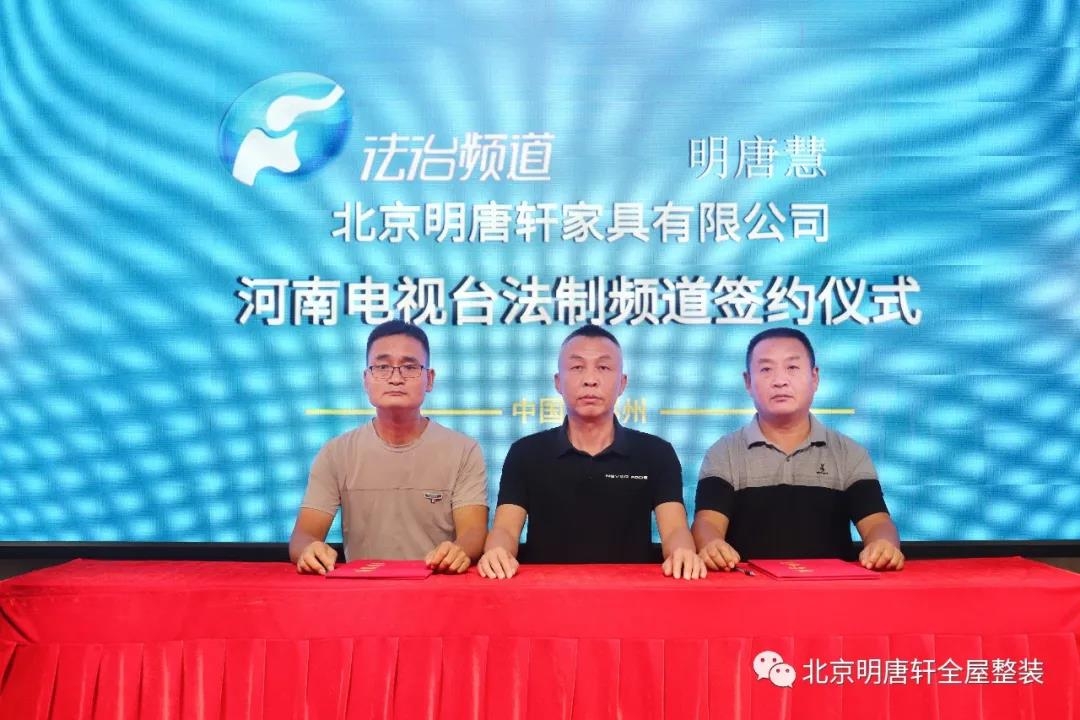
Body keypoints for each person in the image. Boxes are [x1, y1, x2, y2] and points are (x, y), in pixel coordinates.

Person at [478, 325, 705, 580]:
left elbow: (675, 529)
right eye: (577, 367)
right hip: (547, 594)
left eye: (603, 367)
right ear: (558, 382)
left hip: (632, 593)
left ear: (622, 383)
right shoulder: (526, 453)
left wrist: (683, 552)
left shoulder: (656, 453)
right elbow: (505, 529)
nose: (590, 379)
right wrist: (497, 551)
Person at [692, 328, 904, 571]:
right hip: (748, 586)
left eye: (792, 367)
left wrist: (883, 545)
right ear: (748, 382)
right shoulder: (724, 452)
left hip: (832, 587)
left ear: (815, 377)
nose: (780, 381)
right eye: (766, 369)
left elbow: (877, 522)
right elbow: (707, 522)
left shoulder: (848, 452)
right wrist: (711, 544)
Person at [289, 321, 488, 574]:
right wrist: (309, 549)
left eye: (409, 367)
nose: (395, 378)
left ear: (429, 379)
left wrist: (459, 550)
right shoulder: (336, 452)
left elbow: (473, 533)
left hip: (437, 585)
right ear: (366, 379)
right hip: (362, 588)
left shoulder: (464, 450)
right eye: (382, 367)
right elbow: (303, 536)